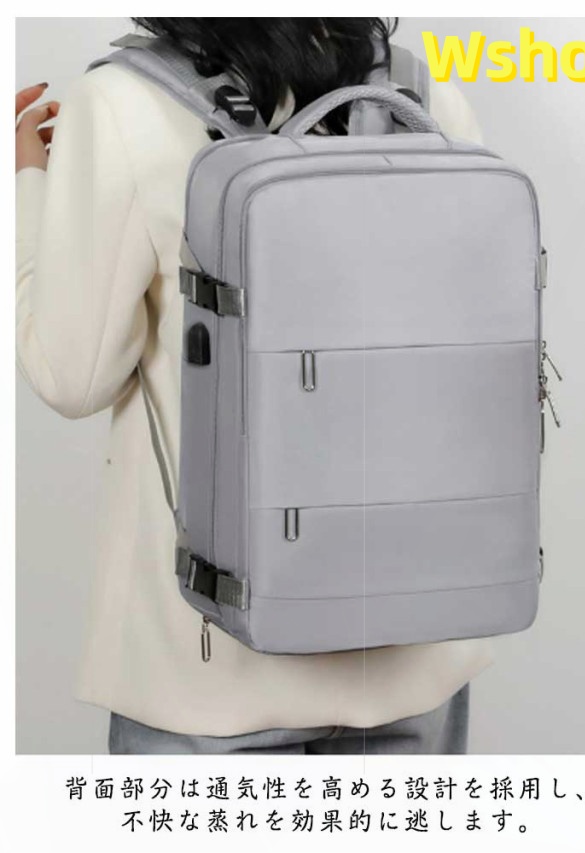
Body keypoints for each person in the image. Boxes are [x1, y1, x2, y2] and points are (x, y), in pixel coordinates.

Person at [15, 17, 494, 755]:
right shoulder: (420, 94)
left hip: (207, 676)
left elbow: (70, 375)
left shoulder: (121, 104)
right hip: (415, 652)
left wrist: (29, 188)